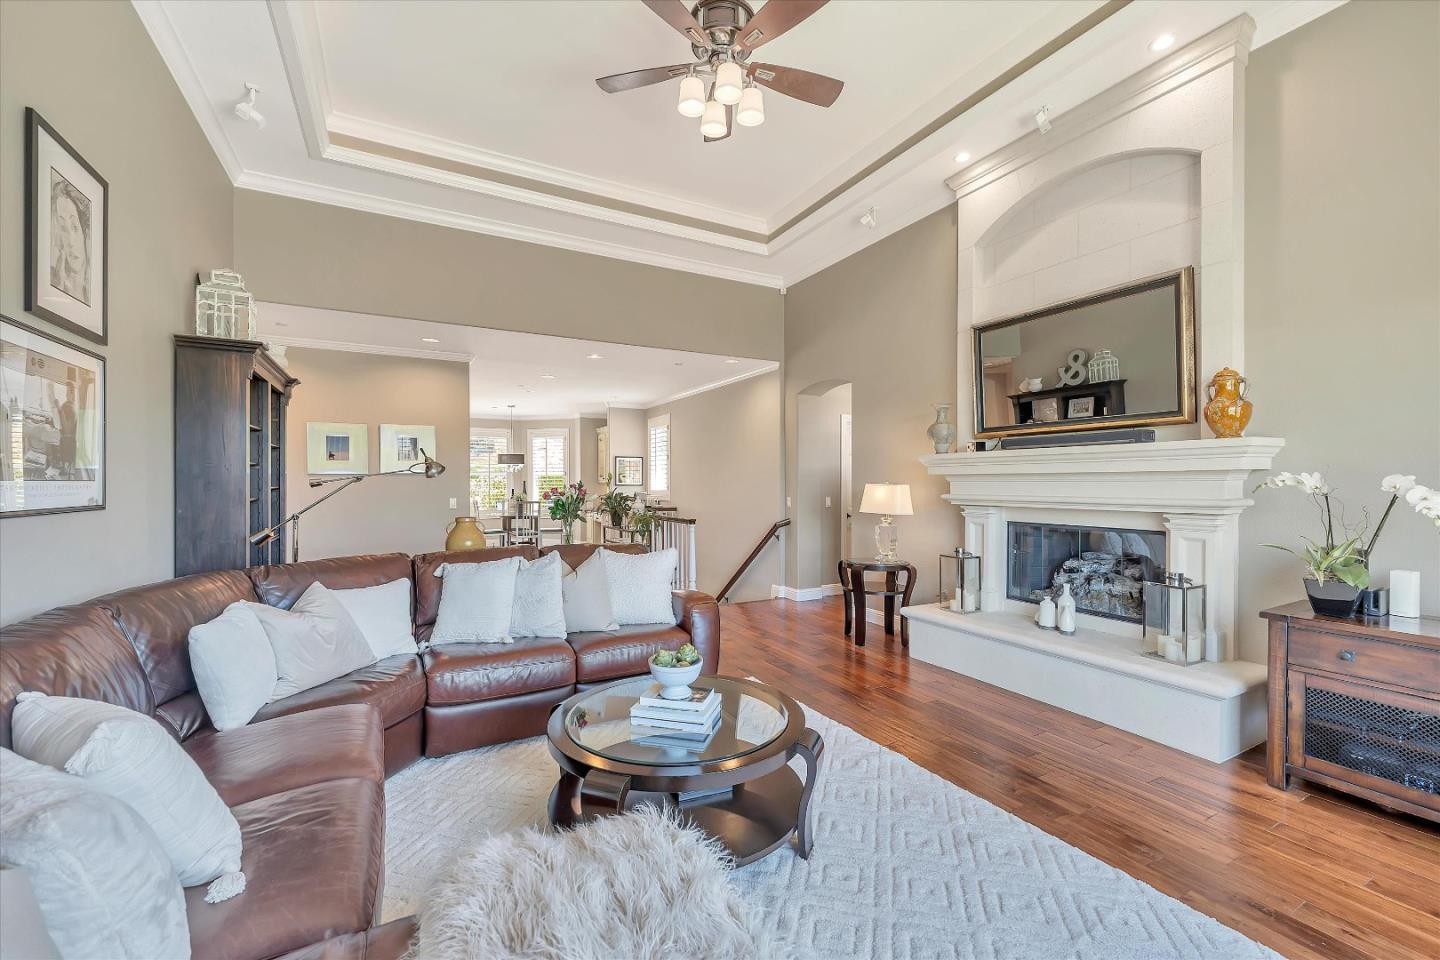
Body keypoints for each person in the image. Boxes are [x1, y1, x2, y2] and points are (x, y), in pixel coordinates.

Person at [49, 177, 90, 304]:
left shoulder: (92, 290)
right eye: (63, 228)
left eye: (74, 227)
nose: (71, 242)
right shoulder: (54, 281)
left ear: (84, 232)